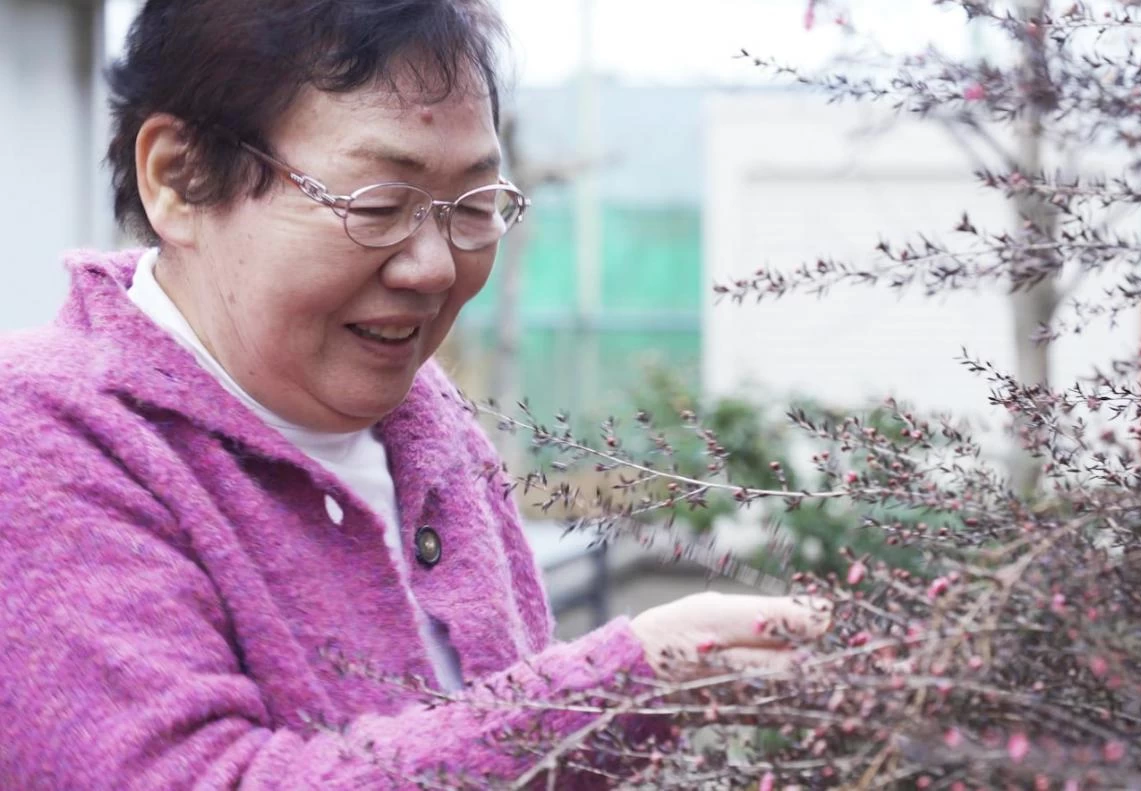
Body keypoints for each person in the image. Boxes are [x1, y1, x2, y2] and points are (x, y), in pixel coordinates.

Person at [0, 1, 831, 787]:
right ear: (179, 180)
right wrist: (617, 689)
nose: (431, 266)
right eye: (379, 203)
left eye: (471, 206)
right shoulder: (44, 436)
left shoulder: (428, 424)